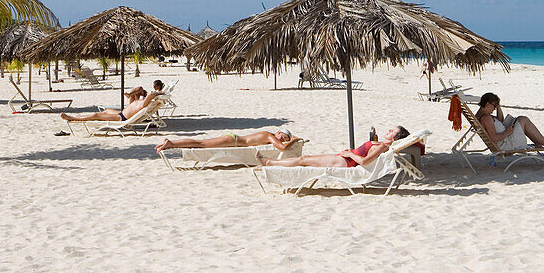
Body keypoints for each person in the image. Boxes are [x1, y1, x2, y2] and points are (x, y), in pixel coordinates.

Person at [256, 126, 410, 168]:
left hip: (346, 162)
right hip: (344, 159)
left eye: (392, 132)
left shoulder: (383, 146)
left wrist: (350, 154)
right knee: (305, 159)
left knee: (304, 160)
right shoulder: (382, 144)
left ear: (394, 138)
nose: (388, 131)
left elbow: (364, 162)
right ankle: (270, 163)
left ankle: (270, 163)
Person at [476, 92, 544, 150]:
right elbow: (493, 138)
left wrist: (498, 106)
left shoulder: (481, 115)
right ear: (487, 104)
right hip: (507, 144)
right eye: (494, 106)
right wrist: (507, 133)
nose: (494, 108)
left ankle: (539, 141)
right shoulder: (486, 118)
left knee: (520, 120)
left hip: (505, 141)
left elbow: (500, 120)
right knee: (523, 120)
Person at [60, 85, 163, 122]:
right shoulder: (143, 102)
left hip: (121, 118)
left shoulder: (144, 103)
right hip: (121, 113)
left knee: (97, 115)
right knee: (106, 111)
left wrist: (157, 93)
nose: (149, 92)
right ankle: (82, 116)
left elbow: (151, 95)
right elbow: (150, 95)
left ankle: (73, 118)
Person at [156, 128, 296, 153]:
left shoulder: (268, 135)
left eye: (285, 139)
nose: (283, 140)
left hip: (233, 138)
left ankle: (171, 143)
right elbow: (282, 148)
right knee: (200, 144)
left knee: (200, 143)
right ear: (278, 133)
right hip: (233, 140)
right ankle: (171, 144)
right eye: (283, 137)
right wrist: (295, 139)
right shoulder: (270, 136)